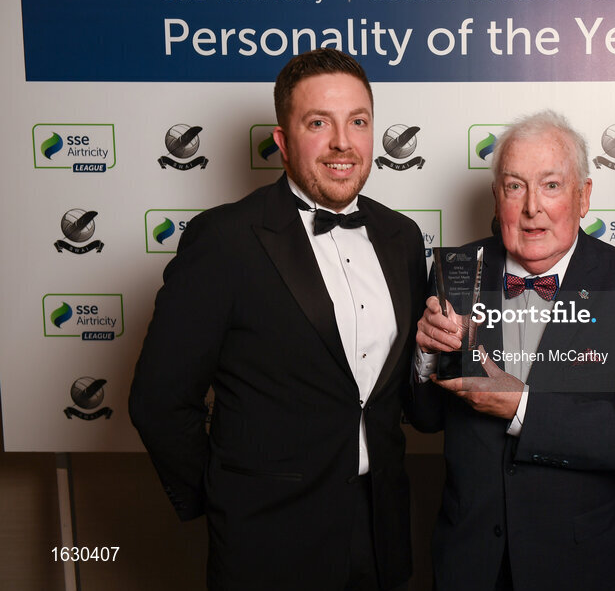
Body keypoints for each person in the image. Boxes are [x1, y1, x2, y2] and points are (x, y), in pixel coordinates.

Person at [130, 48, 426, 591]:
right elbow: (159, 399)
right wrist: (223, 499)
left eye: (358, 122)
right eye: (319, 123)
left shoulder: (402, 237)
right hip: (266, 542)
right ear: (283, 141)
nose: (343, 142)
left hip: (381, 533)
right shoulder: (224, 240)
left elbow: (402, 392)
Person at [410, 111, 615, 591]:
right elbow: (426, 418)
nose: (532, 207)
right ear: (497, 197)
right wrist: (427, 353)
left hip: (579, 566)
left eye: (551, 185)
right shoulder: (455, 270)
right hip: (469, 563)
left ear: (583, 196)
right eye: (515, 186)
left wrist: (522, 407)